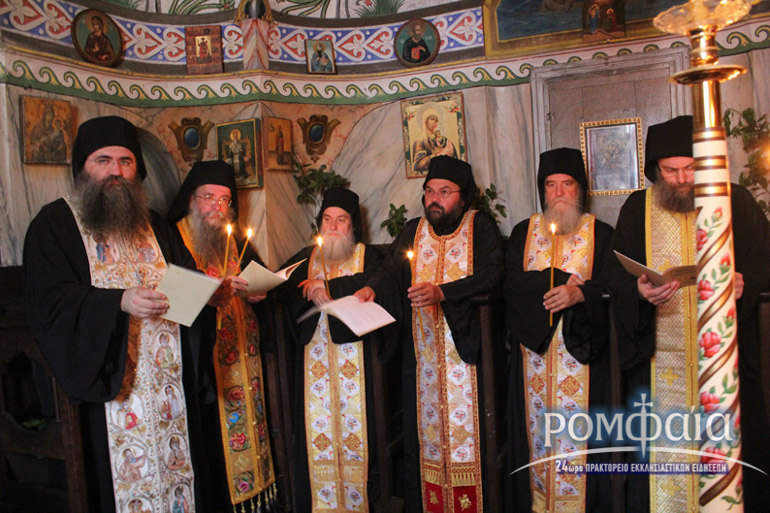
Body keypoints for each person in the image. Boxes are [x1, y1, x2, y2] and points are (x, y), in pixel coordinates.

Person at [23, 115, 234, 512]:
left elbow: (185, 283)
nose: (116, 172)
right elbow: (50, 305)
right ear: (83, 167)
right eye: (103, 161)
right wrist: (117, 302)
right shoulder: (55, 225)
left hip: (169, 393)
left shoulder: (154, 224)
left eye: (125, 161)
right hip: (109, 396)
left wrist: (209, 297)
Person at [608, 115, 770, 512]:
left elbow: (764, 260)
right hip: (660, 364)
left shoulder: (735, 200)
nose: (681, 179)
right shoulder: (637, 208)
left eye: (690, 168)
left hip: (725, 362)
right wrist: (638, 290)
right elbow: (614, 274)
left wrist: (744, 282)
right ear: (656, 170)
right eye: (670, 170)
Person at [355, 156, 503, 512]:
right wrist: (371, 289)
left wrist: (443, 293)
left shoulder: (479, 226)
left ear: (463, 198)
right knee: (425, 444)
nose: (434, 199)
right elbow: (390, 271)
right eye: (429, 191)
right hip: (421, 362)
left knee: (473, 445)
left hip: (470, 359)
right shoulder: (413, 231)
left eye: (444, 192)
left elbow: (493, 274)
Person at [503, 148, 614, 512]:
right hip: (532, 364)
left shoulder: (601, 234)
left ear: (580, 189)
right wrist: (555, 280)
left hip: (583, 365)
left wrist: (580, 294)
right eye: (551, 185)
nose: (559, 193)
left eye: (567, 184)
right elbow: (510, 285)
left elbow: (613, 289)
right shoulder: (523, 232)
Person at [166, 160, 278, 510]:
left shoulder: (234, 238)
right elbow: (173, 300)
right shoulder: (174, 238)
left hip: (244, 357)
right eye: (209, 197)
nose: (217, 206)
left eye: (224, 200)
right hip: (205, 364)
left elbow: (259, 276)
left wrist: (260, 294)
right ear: (191, 200)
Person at [276, 187, 386, 513]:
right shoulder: (306, 257)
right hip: (314, 369)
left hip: (360, 368)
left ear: (353, 226)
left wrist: (330, 288)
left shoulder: (369, 257)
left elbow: (381, 282)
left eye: (341, 220)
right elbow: (280, 288)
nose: (333, 226)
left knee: (362, 443)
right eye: (327, 219)